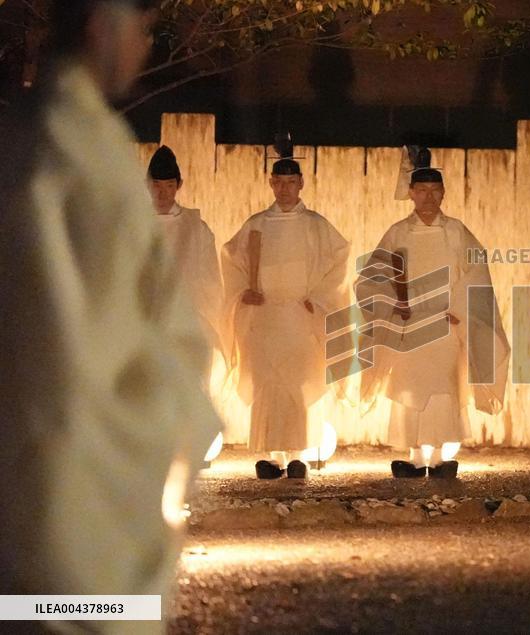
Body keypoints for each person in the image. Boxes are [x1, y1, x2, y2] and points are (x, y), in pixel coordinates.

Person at [0, 0, 220, 620]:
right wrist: (168, 399)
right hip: (72, 438)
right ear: (103, 26)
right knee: (72, 605)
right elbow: (74, 329)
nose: (146, 46)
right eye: (143, 29)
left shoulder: (41, 137)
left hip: (44, 435)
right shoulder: (73, 150)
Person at [355, 146, 509, 478]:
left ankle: (439, 456)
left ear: (443, 192)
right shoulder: (398, 233)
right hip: (408, 324)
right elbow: (373, 276)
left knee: (443, 386)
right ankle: (413, 455)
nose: (428, 196)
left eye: (434, 190)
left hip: (445, 322)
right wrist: (393, 305)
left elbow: (476, 273)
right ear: (411, 193)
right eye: (421, 190)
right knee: (409, 386)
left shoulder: (456, 231)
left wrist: (457, 310)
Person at [220, 144, 350, 479]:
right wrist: (242, 294)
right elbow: (232, 261)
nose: (285, 188)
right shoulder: (256, 224)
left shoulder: (316, 226)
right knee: (268, 382)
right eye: (279, 182)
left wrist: (319, 298)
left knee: (298, 381)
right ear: (270, 183)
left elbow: (338, 262)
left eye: (291, 182)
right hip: (264, 317)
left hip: (300, 315)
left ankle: (298, 455)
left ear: (302, 183)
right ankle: (272, 456)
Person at [147, 145, 223, 355]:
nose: (162, 193)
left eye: (169, 185)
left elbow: (210, 280)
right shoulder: (135, 224)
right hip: (144, 322)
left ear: (179, 185)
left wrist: (199, 315)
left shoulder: (196, 228)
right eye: (156, 185)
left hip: (186, 322)